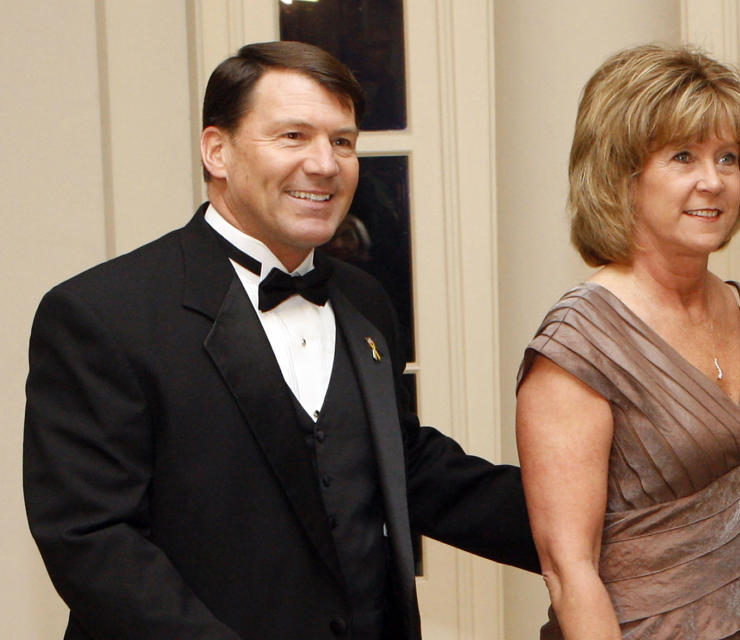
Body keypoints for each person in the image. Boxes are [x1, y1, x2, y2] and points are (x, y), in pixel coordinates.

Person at [24, 41, 537, 640]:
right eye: (293, 136)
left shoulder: (365, 300)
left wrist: (609, 524)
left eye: (342, 141)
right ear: (217, 150)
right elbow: (91, 541)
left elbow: (406, 464)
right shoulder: (102, 313)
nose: (325, 164)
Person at [515, 45, 740, 640]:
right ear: (621, 174)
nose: (714, 181)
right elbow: (569, 572)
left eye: (727, 158)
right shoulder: (580, 342)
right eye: (683, 156)